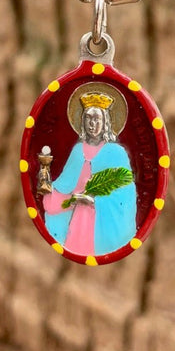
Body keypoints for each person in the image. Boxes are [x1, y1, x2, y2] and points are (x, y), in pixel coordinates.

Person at [42, 91, 136, 256]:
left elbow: (125, 194)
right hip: (78, 220)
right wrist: (47, 185)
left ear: (105, 122)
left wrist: (94, 201)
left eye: (97, 119)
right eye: (88, 118)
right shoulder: (78, 151)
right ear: (82, 121)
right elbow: (64, 186)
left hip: (101, 223)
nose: (92, 124)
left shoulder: (116, 153)